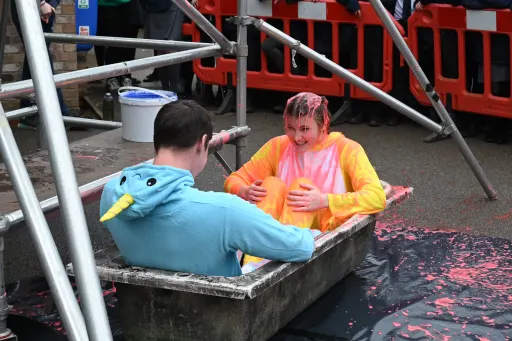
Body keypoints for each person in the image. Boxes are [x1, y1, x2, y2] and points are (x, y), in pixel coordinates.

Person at [99, 100, 317, 277]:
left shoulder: (111, 194)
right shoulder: (225, 211)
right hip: (218, 315)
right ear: (202, 143)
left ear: (156, 139)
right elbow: (301, 247)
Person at [224, 92, 386, 265]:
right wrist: (245, 190)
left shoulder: (347, 149)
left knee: (301, 189)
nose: (296, 137)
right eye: (290, 128)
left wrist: (325, 200)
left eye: (304, 129)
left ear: (323, 125)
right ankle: (251, 265)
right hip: (275, 233)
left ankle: (268, 263)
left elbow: (377, 197)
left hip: (324, 233)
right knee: (271, 185)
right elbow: (234, 180)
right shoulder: (278, 146)